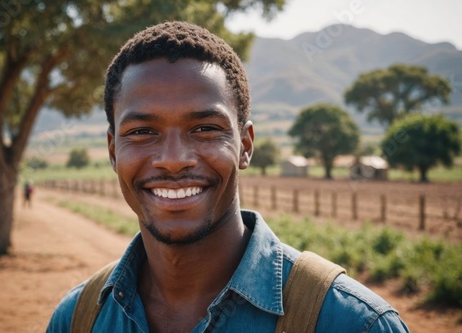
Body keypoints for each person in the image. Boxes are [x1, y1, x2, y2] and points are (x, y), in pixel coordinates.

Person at [47, 21, 409, 332]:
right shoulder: (77, 319)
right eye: (142, 132)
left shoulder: (353, 323)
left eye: (204, 128)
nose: (173, 161)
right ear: (113, 151)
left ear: (245, 146)